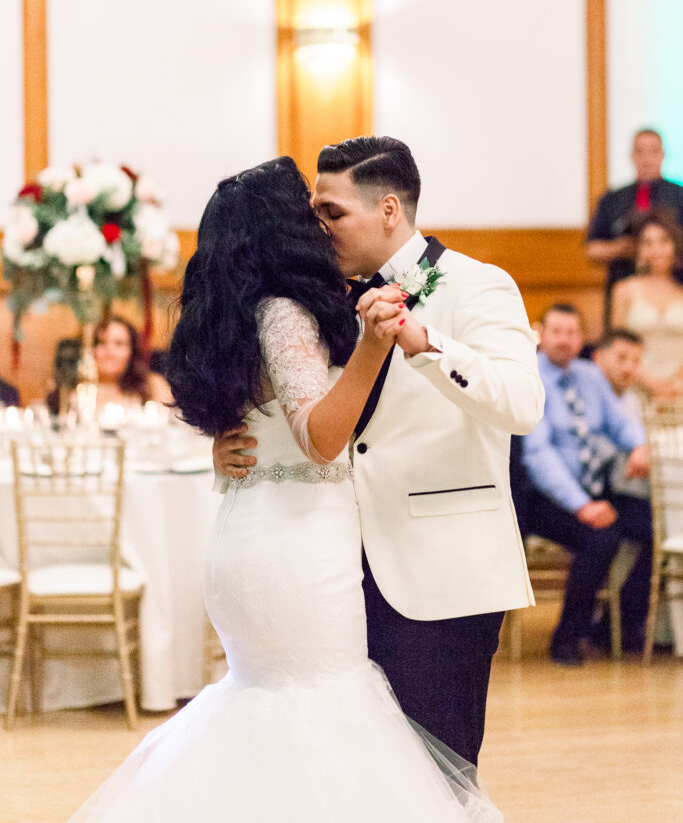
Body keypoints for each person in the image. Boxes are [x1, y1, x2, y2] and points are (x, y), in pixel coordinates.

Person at [66, 156, 503, 823]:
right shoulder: (283, 314)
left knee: (264, 710)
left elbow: (260, 424)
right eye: (309, 210)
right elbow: (320, 437)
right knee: (318, 713)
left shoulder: (233, 314)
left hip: (250, 535)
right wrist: (371, 348)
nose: (319, 219)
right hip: (297, 548)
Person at [214, 135, 544, 766]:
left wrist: (425, 345)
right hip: (330, 576)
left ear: (389, 210)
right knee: (352, 772)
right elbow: (314, 415)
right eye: (315, 211)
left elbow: (523, 405)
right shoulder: (318, 296)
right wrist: (236, 444)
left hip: (439, 572)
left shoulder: (478, 285)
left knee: (437, 770)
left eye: (332, 212)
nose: (319, 226)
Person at [522, 304, 652, 663]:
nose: (565, 340)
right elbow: (538, 455)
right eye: (557, 332)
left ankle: (618, 626)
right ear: (543, 335)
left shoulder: (589, 375)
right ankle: (567, 637)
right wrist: (582, 505)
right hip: (543, 498)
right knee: (599, 539)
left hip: (595, 490)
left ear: (581, 339)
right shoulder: (529, 375)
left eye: (572, 333)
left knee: (654, 525)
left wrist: (639, 445)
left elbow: (618, 422)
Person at [586, 127, 683, 322]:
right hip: (624, 287)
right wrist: (621, 248)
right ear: (632, 155)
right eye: (640, 151)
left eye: (653, 151)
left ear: (663, 155)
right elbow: (592, 248)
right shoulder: (613, 199)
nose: (647, 158)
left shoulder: (679, 197)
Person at [610, 210, 683, 400]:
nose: (657, 249)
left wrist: (675, 385)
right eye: (648, 243)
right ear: (639, 250)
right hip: (635, 391)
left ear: (674, 245)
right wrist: (652, 386)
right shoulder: (624, 290)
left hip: (678, 391)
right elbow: (616, 346)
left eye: (664, 241)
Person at [592, 329, 649, 500]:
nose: (629, 367)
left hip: (625, 489)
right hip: (596, 486)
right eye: (621, 358)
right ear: (599, 357)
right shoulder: (586, 392)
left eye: (636, 361)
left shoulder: (634, 400)